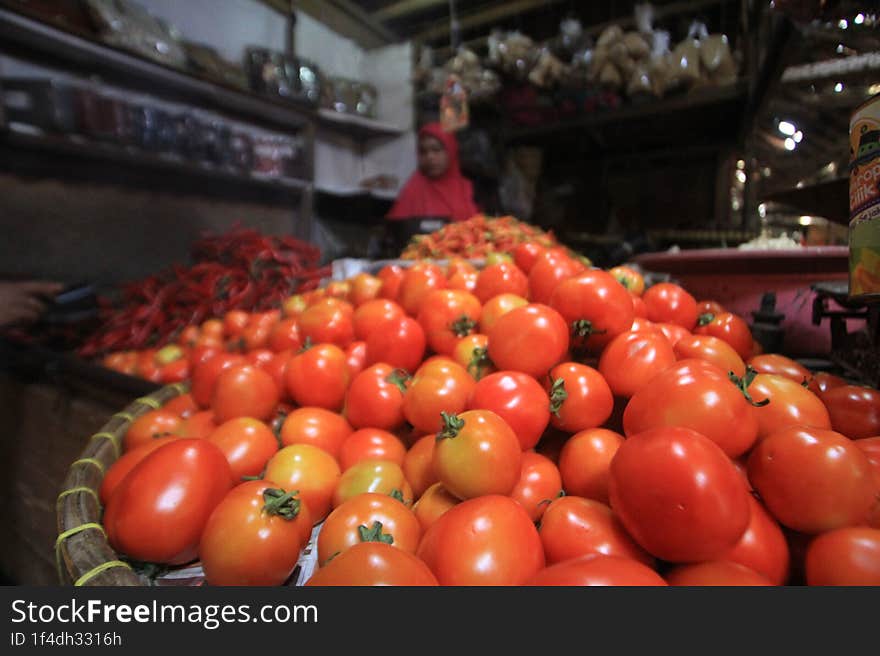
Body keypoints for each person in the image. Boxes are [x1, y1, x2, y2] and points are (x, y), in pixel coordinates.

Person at [387, 122, 479, 223]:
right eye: (423, 152)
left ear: (451, 151)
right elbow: (398, 229)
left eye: (436, 150)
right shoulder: (413, 190)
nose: (429, 157)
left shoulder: (470, 190)